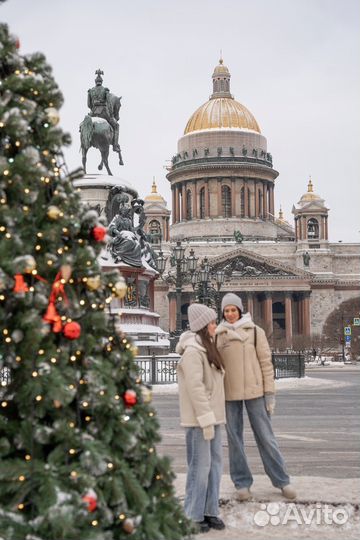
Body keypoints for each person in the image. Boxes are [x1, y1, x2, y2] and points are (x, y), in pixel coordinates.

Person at [216, 293, 296, 501]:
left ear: (240, 311)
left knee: (266, 437)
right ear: (223, 313)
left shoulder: (255, 332)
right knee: (234, 439)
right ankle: (242, 483)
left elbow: (266, 363)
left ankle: (282, 480)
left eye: (234, 310)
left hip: (256, 391)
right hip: (229, 392)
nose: (231, 314)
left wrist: (269, 392)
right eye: (227, 310)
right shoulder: (218, 334)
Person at [176, 304, 226, 533]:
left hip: (214, 417)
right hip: (199, 421)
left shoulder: (209, 347)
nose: (217, 325)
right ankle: (192, 514)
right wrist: (206, 418)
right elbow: (196, 389)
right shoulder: (193, 351)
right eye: (213, 322)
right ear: (203, 327)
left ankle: (209, 510)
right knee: (199, 467)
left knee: (215, 465)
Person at [87, 69, 121, 152]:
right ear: (101, 82)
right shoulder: (105, 90)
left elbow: (88, 104)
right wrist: (111, 114)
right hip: (103, 112)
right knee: (116, 126)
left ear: (95, 82)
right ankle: (115, 145)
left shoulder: (90, 91)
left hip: (93, 113)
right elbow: (109, 103)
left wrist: (93, 107)